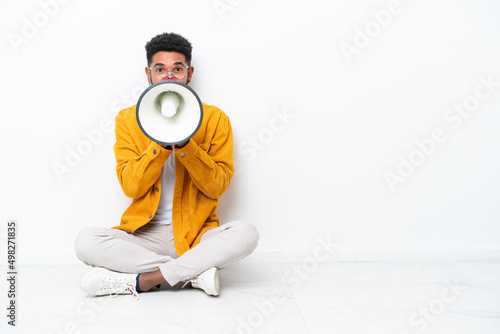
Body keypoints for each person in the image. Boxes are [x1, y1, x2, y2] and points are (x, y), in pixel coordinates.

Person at [74, 32, 259, 299]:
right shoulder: (127, 120)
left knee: (246, 233)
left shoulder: (215, 119)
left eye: (177, 69)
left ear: (189, 73)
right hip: (144, 236)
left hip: (196, 236)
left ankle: (144, 281)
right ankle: (192, 273)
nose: (169, 76)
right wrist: (158, 146)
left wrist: (187, 147)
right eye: (160, 69)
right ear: (149, 74)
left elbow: (216, 186)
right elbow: (131, 186)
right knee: (86, 241)